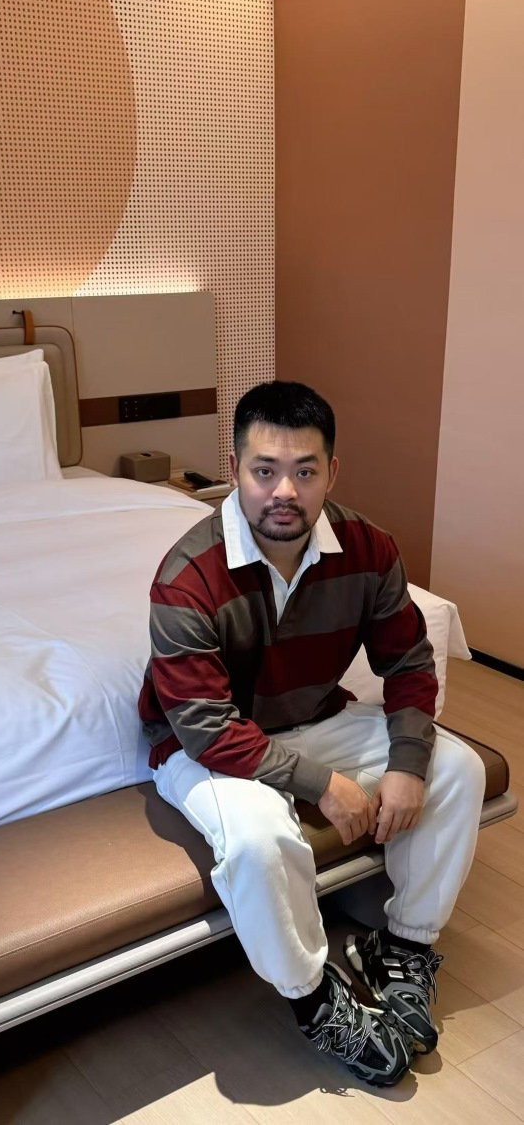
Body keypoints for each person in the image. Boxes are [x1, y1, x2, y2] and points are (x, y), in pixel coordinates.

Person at [138, 381, 485, 1087]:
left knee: (459, 768)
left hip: (316, 716)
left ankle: (404, 947)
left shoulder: (367, 547)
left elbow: (409, 662)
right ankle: (314, 997)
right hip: (206, 745)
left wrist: (407, 764)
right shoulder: (187, 576)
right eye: (264, 470)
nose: (284, 491)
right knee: (260, 839)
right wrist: (322, 785)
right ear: (234, 468)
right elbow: (204, 727)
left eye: (305, 470)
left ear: (333, 471)